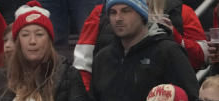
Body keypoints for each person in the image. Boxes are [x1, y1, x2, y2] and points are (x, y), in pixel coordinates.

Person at [74, 0, 209, 90]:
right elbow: (82, 66)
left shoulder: (181, 11)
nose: (118, 17)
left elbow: (203, 58)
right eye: (114, 13)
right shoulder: (102, 12)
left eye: (125, 11)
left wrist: (176, 37)